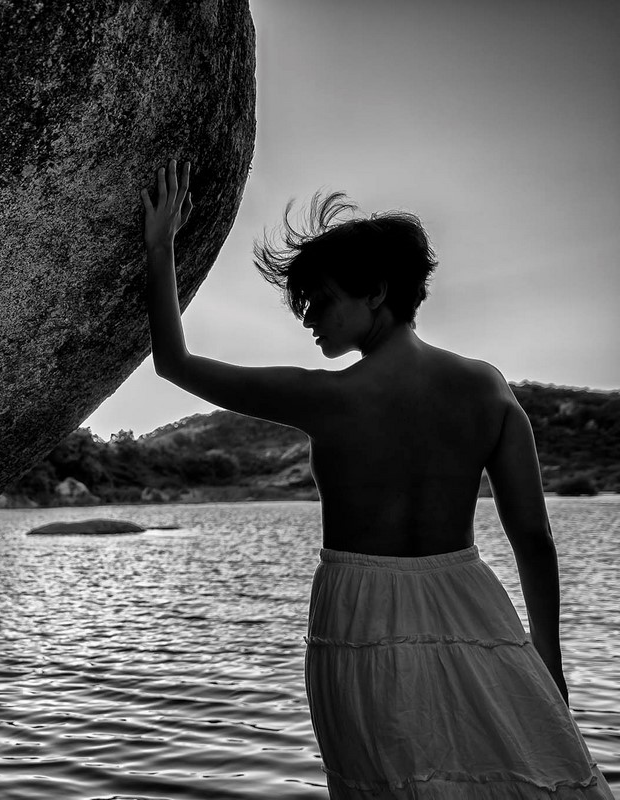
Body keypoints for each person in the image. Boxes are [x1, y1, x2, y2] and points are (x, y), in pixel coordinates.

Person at [140, 159, 614, 798]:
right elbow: (534, 539)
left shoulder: (327, 398)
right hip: (473, 608)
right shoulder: (488, 388)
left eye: (321, 301)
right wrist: (548, 664)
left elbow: (173, 362)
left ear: (377, 292)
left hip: (361, 614)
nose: (309, 318)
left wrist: (161, 247)